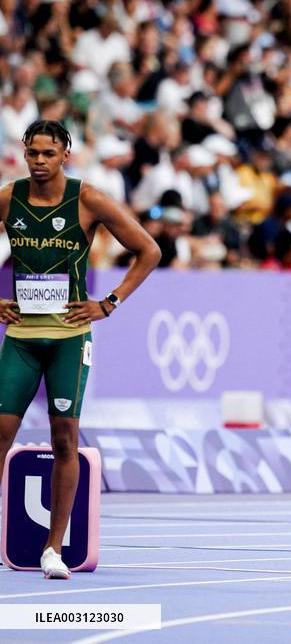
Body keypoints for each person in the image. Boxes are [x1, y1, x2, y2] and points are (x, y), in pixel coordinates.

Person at [0, 120, 160, 579]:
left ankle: (53, 550)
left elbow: (148, 250)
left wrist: (108, 303)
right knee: (0, 435)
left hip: (70, 338)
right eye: (33, 153)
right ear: (24, 152)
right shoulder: (10, 197)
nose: (39, 161)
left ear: (65, 155)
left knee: (65, 440)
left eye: (48, 153)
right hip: (21, 339)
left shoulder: (86, 199)